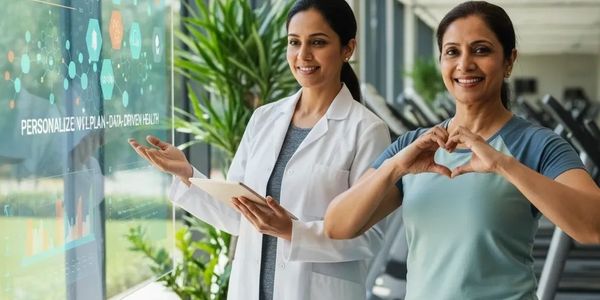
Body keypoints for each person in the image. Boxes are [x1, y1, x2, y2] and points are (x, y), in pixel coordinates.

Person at [324, 1, 600, 299]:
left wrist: (502, 164)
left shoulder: (537, 144)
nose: (465, 64)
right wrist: (395, 167)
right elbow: (337, 226)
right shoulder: (414, 147)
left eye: (481, 50)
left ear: (509, 61)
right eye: (452, 52)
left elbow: (592, 226)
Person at [129, 0, 390, 299]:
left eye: (317, 42)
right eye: (294, 42)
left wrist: (293, 231)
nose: (303, 55)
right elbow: (236, 215)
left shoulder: (367, 130)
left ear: (348, 48)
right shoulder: (264, 118)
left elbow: (372, 237)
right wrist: (187, 173)